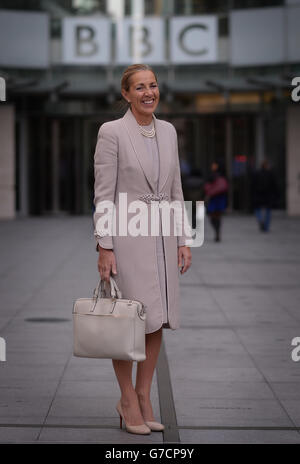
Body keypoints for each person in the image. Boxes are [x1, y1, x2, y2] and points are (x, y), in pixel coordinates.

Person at [93, 64, 192, 435]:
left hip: (163, 238)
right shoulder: (112, 132)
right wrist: (105, 246)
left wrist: (183, 239)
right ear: (126, 94)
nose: (148, 92)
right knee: (127, 321)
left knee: (156, 319)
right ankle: (126, 399)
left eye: (153, 85)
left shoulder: (167, 131)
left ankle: (144, 394)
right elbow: (103, 192)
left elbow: (176, 188)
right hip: (127, 238)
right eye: (139, 87)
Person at [251, 159, 278, 232]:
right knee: (268, 211)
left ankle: (260, 220)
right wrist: (276, 195)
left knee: (257, 209)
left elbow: (253, 185)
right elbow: (274, 185)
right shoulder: (270, 173)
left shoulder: (256, 173)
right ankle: (266, 226)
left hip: (258, 194)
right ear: (266, 165)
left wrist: (253, 194)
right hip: (268, 195)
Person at [204, 162, 228, 242]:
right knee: (214, 216)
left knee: (216, 215)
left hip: (217, 198)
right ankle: (217, 231)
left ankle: (217, 231)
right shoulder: (215, 175)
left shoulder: (218, 175)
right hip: (216, 198)